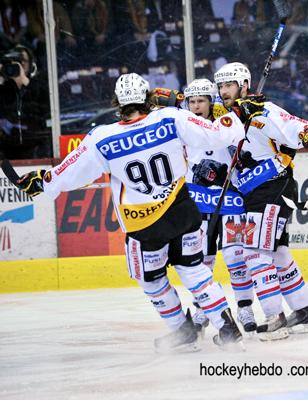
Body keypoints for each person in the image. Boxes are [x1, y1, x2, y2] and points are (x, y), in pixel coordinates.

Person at [14, 72, 265, 352]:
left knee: (153, 282)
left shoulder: (102, 137)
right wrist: (238, 113)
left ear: (118, 103)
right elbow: (217, 135)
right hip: (182, 213)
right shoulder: (170, 117)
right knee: (195, 273)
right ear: (147, 97)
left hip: (143, 227)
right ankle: (229, 332)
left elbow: (68, 173)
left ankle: (183, 333)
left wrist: (43, 182)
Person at [213, 62, 308, 341]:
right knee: (278, 251)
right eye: (221, 86)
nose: (224, 90)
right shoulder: (227, 115)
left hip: (271, 187)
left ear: (244, 84)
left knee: (256, 252)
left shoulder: (261, 111)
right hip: (252, 193)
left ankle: (274, 318)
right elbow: (200, 110)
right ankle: (303, 313)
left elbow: (290, 123)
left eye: (229, 85)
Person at [182, 78, 258, 334]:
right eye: (191, 101)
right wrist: (195, 170)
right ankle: (203, 309)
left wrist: (242, 161)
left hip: (231, 199)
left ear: (211, 100)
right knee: (202, 259)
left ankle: (244, 307)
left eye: (200, 100)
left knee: (236, 257)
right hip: (199, 200)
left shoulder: (227, 122)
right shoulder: (183, 126)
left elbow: (241, 147)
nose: (195, 106)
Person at [0, 44, 50, 159]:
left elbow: (44, 108)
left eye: (23, 61)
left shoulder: (38, 84)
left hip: (36, 147)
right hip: (8, 148)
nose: (20, 64)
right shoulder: (4, 89)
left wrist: (23, 79)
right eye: (16, 61)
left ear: (31, 64)